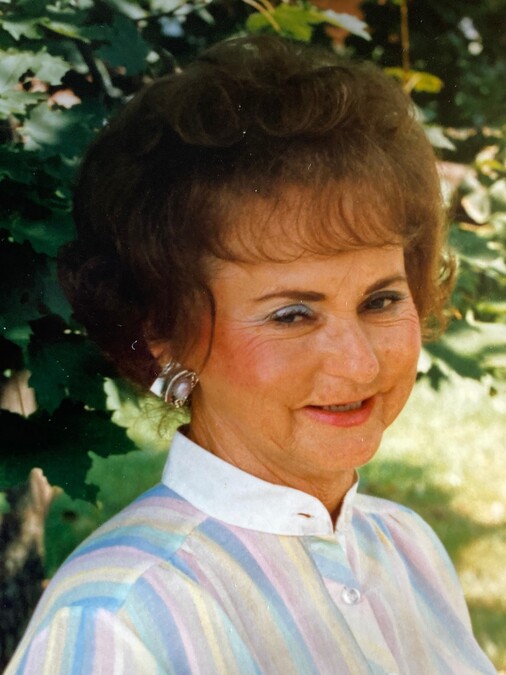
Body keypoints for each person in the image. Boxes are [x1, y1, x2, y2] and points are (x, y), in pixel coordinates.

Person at [6, 36, 496, 674]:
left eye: (380, 301)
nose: (359, 364)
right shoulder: (117, 618)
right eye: (292, 315)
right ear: (163, 333)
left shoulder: (407, 547)